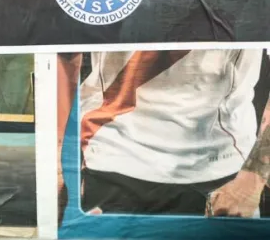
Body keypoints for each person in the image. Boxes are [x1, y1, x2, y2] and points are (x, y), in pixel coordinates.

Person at [57, 49, 270, 222]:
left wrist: (253, 178)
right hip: (111, 156)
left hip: (221, 168)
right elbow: (63, 49)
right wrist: (57, 163)